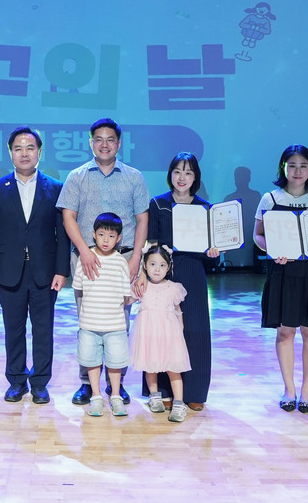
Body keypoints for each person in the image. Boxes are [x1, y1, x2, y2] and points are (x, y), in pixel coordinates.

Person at [56, 117, 149, 406]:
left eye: (110, 140)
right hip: (88, 260)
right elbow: (68, 216)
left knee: (120, 323)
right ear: (90, 143)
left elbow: (142, 219)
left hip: (124, 260)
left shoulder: (133, 177)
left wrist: (136, 258)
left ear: (119, 144)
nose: (104, 144)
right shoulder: (77, 176)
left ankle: (115, 384)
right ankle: (87, 383)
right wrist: (84, 251)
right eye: (99, 139)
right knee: (88, 322)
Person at [0, 127, 70, 404]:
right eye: (18, 148)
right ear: (10, 153)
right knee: (14, 330)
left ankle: (40, 382)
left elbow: (62, 234)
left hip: (45, 272)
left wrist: (61, 271)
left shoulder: (55, 187)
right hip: (9, 272)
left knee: (43, 330)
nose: (24, 153)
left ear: (39, 152)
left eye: (30, 148)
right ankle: (16, 381)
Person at [253, 145, 308, 413]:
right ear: (283, 168)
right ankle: (289, 390)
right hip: (283, 272)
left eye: (303, 165)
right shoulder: (270, 199)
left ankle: (307, 391)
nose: (297, 171)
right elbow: (258, 235)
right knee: (285, 332)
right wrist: (272, 250)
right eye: (292, 165)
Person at [135, 152, 218, 412]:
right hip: (163, 274)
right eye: (177, 171)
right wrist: (144, 273)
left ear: (196, 177)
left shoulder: (205, 208)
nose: (182, 177)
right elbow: (150, 244)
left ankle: (194, 391)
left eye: (188, 172)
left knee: (195, 330)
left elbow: (212, 252)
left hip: (193, 272)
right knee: (161, 330)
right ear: (170, 174)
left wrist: (213, 251)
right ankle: (161, 390)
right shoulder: (158, 204)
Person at [73, 213, 133, 417]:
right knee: (91, 361)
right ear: (93, 234)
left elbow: (125, 296)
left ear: (119, 238)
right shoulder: (86, 259)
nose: (106, 240)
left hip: (115, 325)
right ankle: (96, 396)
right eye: (101, 234)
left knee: (115, 363)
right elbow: (79, 289)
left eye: (111, 236)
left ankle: (115, 396)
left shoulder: (120, 262)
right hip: (89, 323)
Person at [130, 244, 190, 422]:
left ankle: (178, 403)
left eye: (162, 265)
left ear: (168, 267)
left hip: (169, 335)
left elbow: (178, 311)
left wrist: (180, 331)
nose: (157, 269)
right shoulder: (142, 286)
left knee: (173, 368)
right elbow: (127, 300)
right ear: (145, 266)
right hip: (148, 335)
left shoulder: (173, 288)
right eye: (153, 264)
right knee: (150, 365)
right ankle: (154, 396)